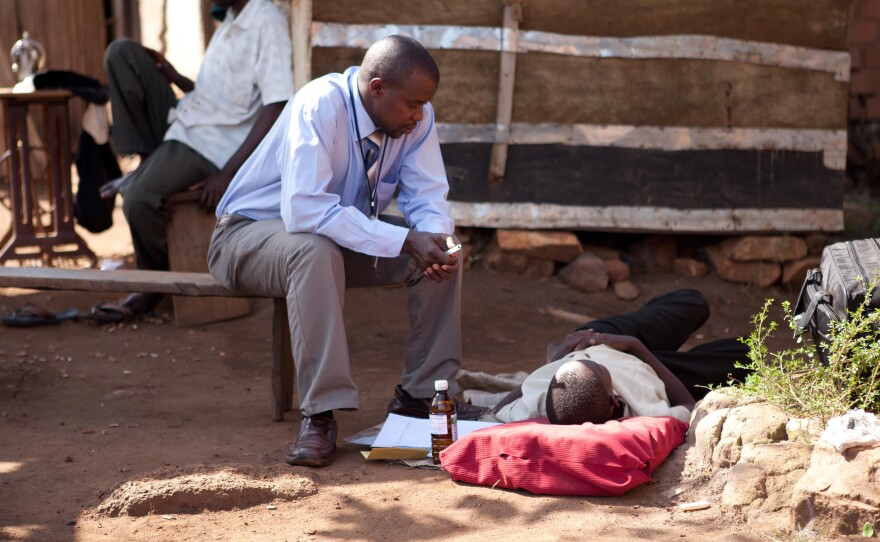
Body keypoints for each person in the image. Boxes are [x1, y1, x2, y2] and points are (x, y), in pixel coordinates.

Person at [207, 35, 483, 468]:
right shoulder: (320, 104)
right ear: (377, 89)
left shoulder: (415, 119)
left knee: (442, 250)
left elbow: (428, 197)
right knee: (314, 251)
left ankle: (424, 395)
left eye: (424, 105)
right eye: (412, 104)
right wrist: (404, 240)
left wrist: (431, 239)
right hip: (244, 238)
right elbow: (304, 210)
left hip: (332, 239)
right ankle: (319, 415)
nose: (419, 115)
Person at [93, 0, 294, 321]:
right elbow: (214, 95)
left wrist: (229, 173)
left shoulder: (266, 20)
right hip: (187, 121)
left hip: (214, 144)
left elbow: (277, 104)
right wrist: (174, 77)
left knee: (138, 199)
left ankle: (153, 283)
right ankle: (148, 163)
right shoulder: (229, 19)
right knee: (122, 53)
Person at [490, 289, 750, 425]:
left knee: (693, 302)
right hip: (644, 363)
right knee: (745, 353)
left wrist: (559, 358)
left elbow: (499, 409)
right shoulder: (645, 413)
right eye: (603, 371)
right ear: (614, 401)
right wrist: (637, 347)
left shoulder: (542, 399)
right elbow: (688, 407)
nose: (598, 361)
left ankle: (567, 350)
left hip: (594, 337)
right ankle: (661, 351)